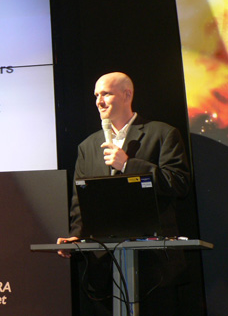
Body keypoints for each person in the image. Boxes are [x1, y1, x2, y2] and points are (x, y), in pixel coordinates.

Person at [57, 72, 192, 314]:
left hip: (154, 269)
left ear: (127, 95)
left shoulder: (162, 134)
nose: (99, 101)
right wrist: (76, 236)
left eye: (106, 94)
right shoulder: (87, 146)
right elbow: (80, 201)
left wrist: (129, 165)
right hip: (104, 271)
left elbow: (179, 184)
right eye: (96, 95)